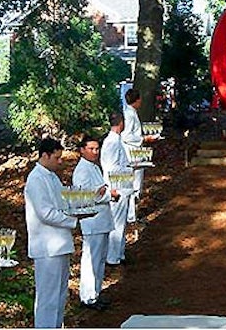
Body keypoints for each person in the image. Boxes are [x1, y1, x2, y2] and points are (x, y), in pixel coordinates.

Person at [24, 138, 79, 328]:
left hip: (60, 244)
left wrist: (84, 205)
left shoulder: (52, 176)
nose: (60, 162)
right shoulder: (35, 179)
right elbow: (45, 213)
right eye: (57, 158)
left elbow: (64, 201)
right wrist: (73, 221)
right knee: (48, 296)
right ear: (45, 155)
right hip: (46, 247)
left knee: (60, 293)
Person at [72, 135, 116, 311]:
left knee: (99, 259)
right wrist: (107, 194)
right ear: (82, 150)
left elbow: (98, 190)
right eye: (91, 149)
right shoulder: (82, 170)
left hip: (101, 219)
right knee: (91, 259)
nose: (95, 152)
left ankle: (95, 293)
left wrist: (103, 192)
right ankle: (88, 296)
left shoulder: (93, 167)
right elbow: (86, 196)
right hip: (93, 221)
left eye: (97, 149)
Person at [100, 111, 133, 266]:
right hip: (117, 187)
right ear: (121, 123)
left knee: (122, 222)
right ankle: (112, 256)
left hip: (123, 185)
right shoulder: (112, 142)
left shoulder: (115, 140)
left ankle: (119, 253)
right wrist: (115, 189)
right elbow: (112, 167)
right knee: (117, 223)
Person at [121, 88, 156, 224]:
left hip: (135, 151)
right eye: (140, 99)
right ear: (136, 100)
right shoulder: (129, 115)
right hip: (132, 152)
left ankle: (132, 214)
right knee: (134, 185)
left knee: (136, 184)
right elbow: (127, 136)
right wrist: (144, 139)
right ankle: (131, 216)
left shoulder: (131, 113)